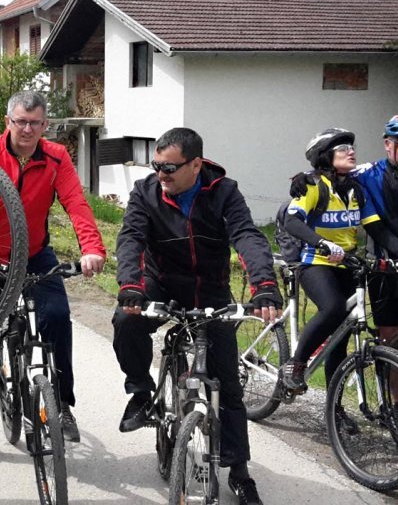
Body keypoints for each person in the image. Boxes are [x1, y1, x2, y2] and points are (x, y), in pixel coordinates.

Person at [113, 127, 282, 505]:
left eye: (170, 168)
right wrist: (132, 285)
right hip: (159, 284)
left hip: (210, 291)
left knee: (229, 388)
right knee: (126, 321)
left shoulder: (224, 191)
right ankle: (140, 392)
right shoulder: (146, 192)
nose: (162, 175)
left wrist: (264, 285)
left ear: (196, 164)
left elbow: (247, 236)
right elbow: (131, 238)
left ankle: (239, 472)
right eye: (156, 166)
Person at [0, 90, 106, 467]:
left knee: (56, 317)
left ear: (45, 125)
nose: (27, 129)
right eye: (21, 121)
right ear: (8, 122)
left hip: (35, 254)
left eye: (35, 123)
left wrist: (91, 248)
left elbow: (76, 203)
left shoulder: (56, 157)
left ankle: (63, 404)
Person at [285, 128, 398, 397]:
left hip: (346, 264)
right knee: (333, 308)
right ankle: (296, 363)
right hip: (316, 262)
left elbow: (376, 228)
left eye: (352, 146)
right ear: (326, 156)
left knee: (341, 338)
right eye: (342, 148)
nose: (351, 150)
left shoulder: (356, 190)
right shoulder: (312, 185)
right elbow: (292, 221)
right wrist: (322, 243)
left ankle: (334, 408)